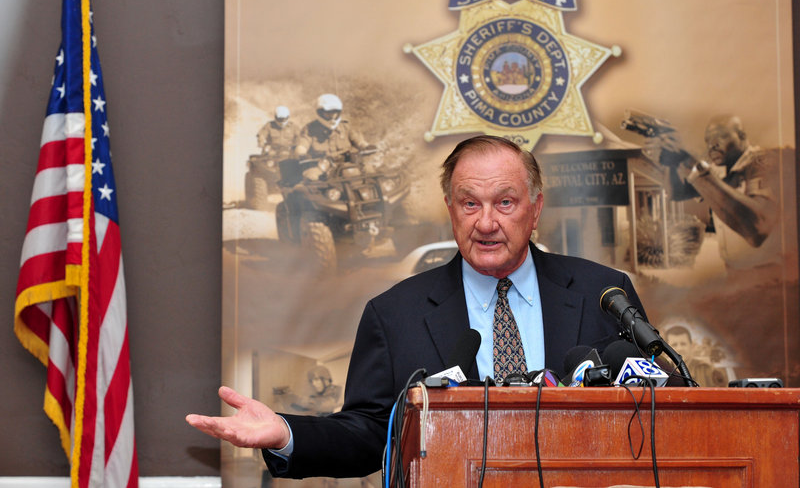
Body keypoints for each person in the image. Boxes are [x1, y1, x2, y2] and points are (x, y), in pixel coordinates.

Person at [186, 135, 646, 479]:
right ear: (450, 208)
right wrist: (287, 434)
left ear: (535, 208)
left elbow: (654, 407)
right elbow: (369, 433)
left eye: (505, 202)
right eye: (470, 203)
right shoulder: (395, 315)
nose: (486, 223)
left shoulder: (605, 294)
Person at [649, 114, 780, 272]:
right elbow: (677, 194)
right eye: (708, 141)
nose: (712, 145)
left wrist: (693, 163)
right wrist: (670, 163)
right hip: (733, 270)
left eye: (721, 137)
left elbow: (758, 228)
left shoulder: (762, 162)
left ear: (742, 136)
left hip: (766, 271)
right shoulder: (717, 170)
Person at [295, 94, 371, 181]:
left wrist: (366, 147)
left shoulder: (345, 126)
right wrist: (301, 154)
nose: (332, 116)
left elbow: (359, 141)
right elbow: (302, 145)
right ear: (320, 112)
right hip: (322, 167)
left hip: (347, 163)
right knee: (312, 178)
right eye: (328, 113)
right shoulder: (310, 129)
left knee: (369, 171)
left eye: (335, 113)